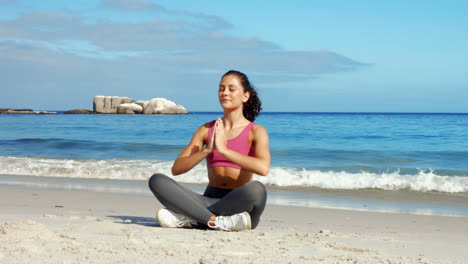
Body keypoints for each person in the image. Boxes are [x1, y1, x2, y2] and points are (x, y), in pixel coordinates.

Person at [148, 70, 270, 232]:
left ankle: (193, 218)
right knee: (157, 180)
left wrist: (225, 150)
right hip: (208, 201)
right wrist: (207, 150)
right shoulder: (206, 130)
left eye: (231, 89)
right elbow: (177, 169)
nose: (225, 93)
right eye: (221, 89)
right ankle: (214, 221)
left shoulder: (256, 132)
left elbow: (263, 168)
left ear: (245, 96)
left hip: (239, 203)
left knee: (257, 190)